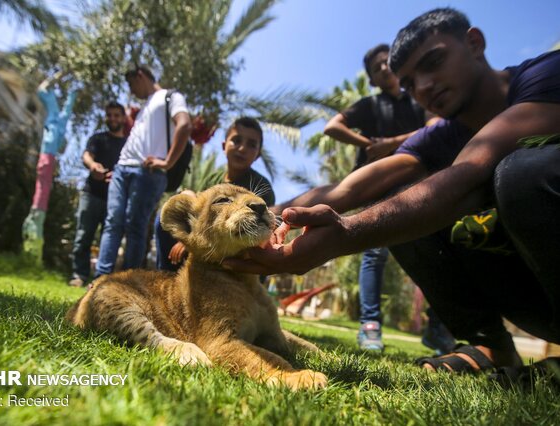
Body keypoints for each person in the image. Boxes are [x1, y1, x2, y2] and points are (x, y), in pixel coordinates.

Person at [225, 8, 560, 378]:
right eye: (411, 84)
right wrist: (259, 216)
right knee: (399, 199)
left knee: (522, 174)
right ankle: (489, 344)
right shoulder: (444, 133)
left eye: (433, 62)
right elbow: (354, 186)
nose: (424, 87)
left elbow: (468, 174)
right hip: (536, 297)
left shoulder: (545, 75)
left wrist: (343, 237)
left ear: (474, 43)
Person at [321, 43, 452, 352]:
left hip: (421, 184)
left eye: (386, 62)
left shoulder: (418, 98)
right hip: (377, 187)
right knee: (375, 253)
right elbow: (332, 126)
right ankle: (370, 327)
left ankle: (439, 326)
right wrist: (368, 144)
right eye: (375, 67)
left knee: (439, 250)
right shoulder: (369, 106)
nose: (383, 68)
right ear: (372, 79)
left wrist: (391, 143)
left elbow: (436, 124)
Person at [94, 65, 191, 278]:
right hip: (122, 169)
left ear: (140, 76)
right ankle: (100, 279)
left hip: (148, 172)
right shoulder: (144, 107)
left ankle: (128, 281)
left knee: (135, 225)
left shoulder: (170, 96)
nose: (131, 90)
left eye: (130, 84)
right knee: (112, 222)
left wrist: (167, 162)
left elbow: (184, 125)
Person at [155, 116, 275, 271]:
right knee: (161, 219)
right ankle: (166, 274)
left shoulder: (261, 184)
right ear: (224, 146)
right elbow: (196, 212)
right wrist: (186, 238)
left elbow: (265, 225)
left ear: (258, 154)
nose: (242, 148)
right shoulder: (213, 179)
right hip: (210, 247)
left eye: (251, 145)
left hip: (243, 251)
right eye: (236, 141)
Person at [68, 101, 127, 287]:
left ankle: (100, 279)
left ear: (123, 118)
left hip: (115, 198)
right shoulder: (98, 139)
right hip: (91, 194)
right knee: (83, 236)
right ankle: (79, 275)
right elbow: (86, 155)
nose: (113, 118)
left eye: (116, 115)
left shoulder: (128, 144)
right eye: (109, 115)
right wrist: (94, 167)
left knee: (108, 239)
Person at [22, 72, 78, 261]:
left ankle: (33, 255)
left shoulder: (58, 121)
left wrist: (74, 90)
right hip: (47, 157)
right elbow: (42, 92)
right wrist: (61, 78)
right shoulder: (54, 120)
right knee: (42, 187)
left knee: (43, 187)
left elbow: (68, 108)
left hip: (49, 157)